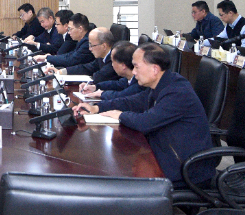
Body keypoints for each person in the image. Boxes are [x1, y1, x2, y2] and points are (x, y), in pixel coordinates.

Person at [73, 42, 215, 184]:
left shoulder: (177, 92)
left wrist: (120, 115)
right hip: (167, 152)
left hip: (186, 168)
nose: (133, 72)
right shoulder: (161, 84)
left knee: (123, 177)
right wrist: (97, 108)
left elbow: (146, 122)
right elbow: (133, 102)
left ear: (154, 69)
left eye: (136, 66)